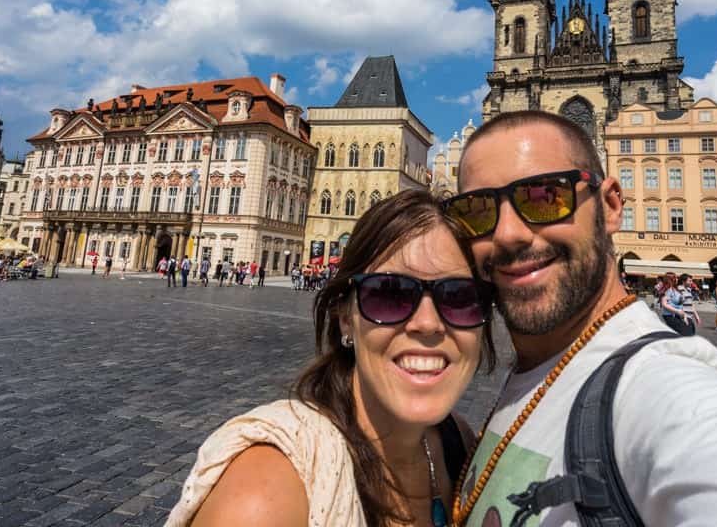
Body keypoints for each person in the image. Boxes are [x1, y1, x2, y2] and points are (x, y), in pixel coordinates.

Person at [442, 110, 717, 526]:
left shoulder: (666, 386)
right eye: (478, 210)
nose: (508, 233)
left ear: (609, 206)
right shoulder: (529, 371)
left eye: (546, 196)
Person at [167, 190, 494, 527]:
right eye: (389, 293)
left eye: (459, 297)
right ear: (345, 318)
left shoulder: (458, 442)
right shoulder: (265, 495)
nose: (428, 323)